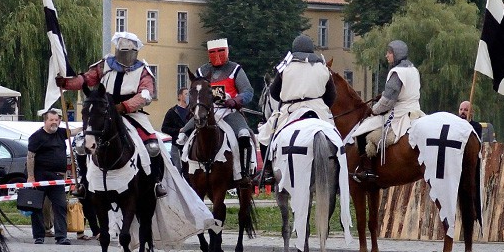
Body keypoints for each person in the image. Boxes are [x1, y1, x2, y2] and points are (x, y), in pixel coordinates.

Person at [56, 31, 168, 198]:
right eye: (122, 51)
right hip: (103, 111)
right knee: (81, 143)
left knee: (152, 145)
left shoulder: (143, 71)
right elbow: (86, 80)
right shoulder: (105, 65)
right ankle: (83, 182)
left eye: (128, 52)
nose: (125, 55)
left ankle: (156, 182)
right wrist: (66, 82)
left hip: (131, 114)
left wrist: (124, 106)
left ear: (135, 52)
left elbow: (146, 94)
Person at [256, 34, 336, 185]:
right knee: (336, 139)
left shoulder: (286, 67)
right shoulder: (323, 67)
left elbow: (273, 92)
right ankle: (338, 172)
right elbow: (332, 95)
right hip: (318, 110)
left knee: (265, 135)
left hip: (290, 110)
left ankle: (267, 172)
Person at [176, 38, 255, 187]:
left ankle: (244, 173)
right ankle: (185, 173)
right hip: (206, 112)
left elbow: (248, 91)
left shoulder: (235, 69)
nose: (217, 55)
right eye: (213, 52)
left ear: (226, 51)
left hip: (230, 112)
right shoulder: (201, 71)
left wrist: (236, 100)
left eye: (220, 51)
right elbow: (194, 93)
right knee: (182, 136)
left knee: (244, 134)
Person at [349, 40, 422, 181]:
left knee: (362, 133)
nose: (386, 55)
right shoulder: (413, 69)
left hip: (399, 114)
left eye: (389, 53)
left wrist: (373, 110)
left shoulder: (397, 73)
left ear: (397, 54)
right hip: (416, 111)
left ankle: (367, 171)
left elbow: (387, 102)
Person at [26, 109, 82, 245]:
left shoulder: (61, 133)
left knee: (60, 205)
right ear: (45, 121)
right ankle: (39, 236)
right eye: (51, 120)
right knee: (37, 207)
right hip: (40, 176)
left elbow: (74, 132)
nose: (54, 122)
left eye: (57, 120)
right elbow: (30, 157)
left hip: (57, 177)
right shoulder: (36, 136)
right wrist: (31, 176)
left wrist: (87, 124)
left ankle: (61, 236)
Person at [161, 87, 191, 172]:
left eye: (189, 94)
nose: (188, 96)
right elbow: (164, 128)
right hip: (177, 146)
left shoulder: (192, 111)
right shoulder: (172, 112)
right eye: (186, 94)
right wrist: (178, 131)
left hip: (190, 145)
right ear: (180, 96)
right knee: (178, 170)